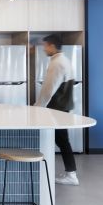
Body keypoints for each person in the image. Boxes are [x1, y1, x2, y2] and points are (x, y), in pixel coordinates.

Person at [34, 34, 79, 186]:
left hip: (56, 108)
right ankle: (70, 172)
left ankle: (71, 175)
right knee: (61, 140)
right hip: (62, 107)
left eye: (45, 46)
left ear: (52, 46)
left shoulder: (57, 63)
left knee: (61, 140)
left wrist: (37, 108)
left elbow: (48, 89)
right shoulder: (63, 60)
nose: (44, 49)